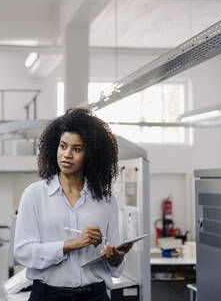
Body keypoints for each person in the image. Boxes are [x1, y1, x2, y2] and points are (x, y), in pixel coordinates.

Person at [14, 108, 133, 301]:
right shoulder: (34, 195)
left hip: (95, 296)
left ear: (91, 155)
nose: (67, 154)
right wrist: (70, 245)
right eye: (63, 146)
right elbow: (23, 253)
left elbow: (114, 267)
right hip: (47, 296)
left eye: (77, 149)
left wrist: (116, 257)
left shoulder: (106, 200)